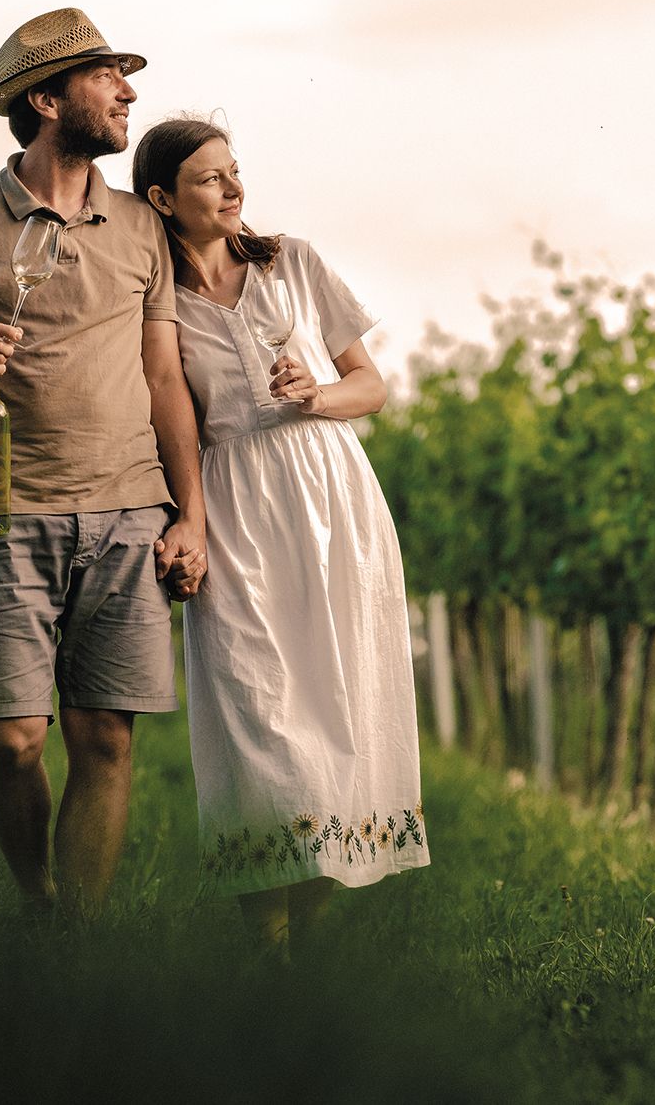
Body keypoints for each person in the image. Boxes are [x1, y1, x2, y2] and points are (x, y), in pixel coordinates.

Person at [0, 8, 209, 916]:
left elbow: (164, 376)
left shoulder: (143, 226)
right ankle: (38, 901)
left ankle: (77, 942)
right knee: (15, 738)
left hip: (129, 510)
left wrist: (192, 513)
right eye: (107, 77)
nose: (128, 91)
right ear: (48, 98)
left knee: (105, 736)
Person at [131, 114, 428, 948]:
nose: (235, 190)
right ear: (162, 199)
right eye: (210, 179)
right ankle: (264, 944)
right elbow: (172, 416)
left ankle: (311, 952)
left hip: (331, 498)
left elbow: (370, 387)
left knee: (337, 706)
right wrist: (186, 517)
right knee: (253, 706)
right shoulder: (158, 303)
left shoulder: (291, 261)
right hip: (233, 503)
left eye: (235, 172)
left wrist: (316, 393)